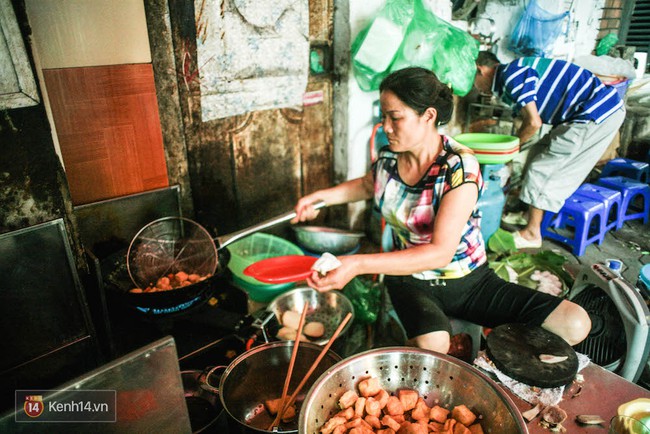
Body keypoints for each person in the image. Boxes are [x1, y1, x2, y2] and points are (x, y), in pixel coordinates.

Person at [291, 66, 590, 354]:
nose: (386, 127)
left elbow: (440, 253)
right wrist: (319, 198)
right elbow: (369, 185)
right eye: (384, 116)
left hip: (470, 281)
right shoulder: (389, 159)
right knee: (433, 347)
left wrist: (356, 265)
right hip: (409, 279)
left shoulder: (458, 166)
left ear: (428, 116)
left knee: (575, 323)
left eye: (395, 117)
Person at [474, 51, 626, 249]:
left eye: (474, 82)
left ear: (481, 70)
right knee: (537, 152)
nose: (476, 88)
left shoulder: (510, 74)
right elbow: (528, 120)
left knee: (542, 169)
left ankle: (531, 233)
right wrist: (514, 147)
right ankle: (529, 214)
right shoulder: (510, 77)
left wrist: (509, 151)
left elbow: (534, 122)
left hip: (595, 115)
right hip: (585, 114)